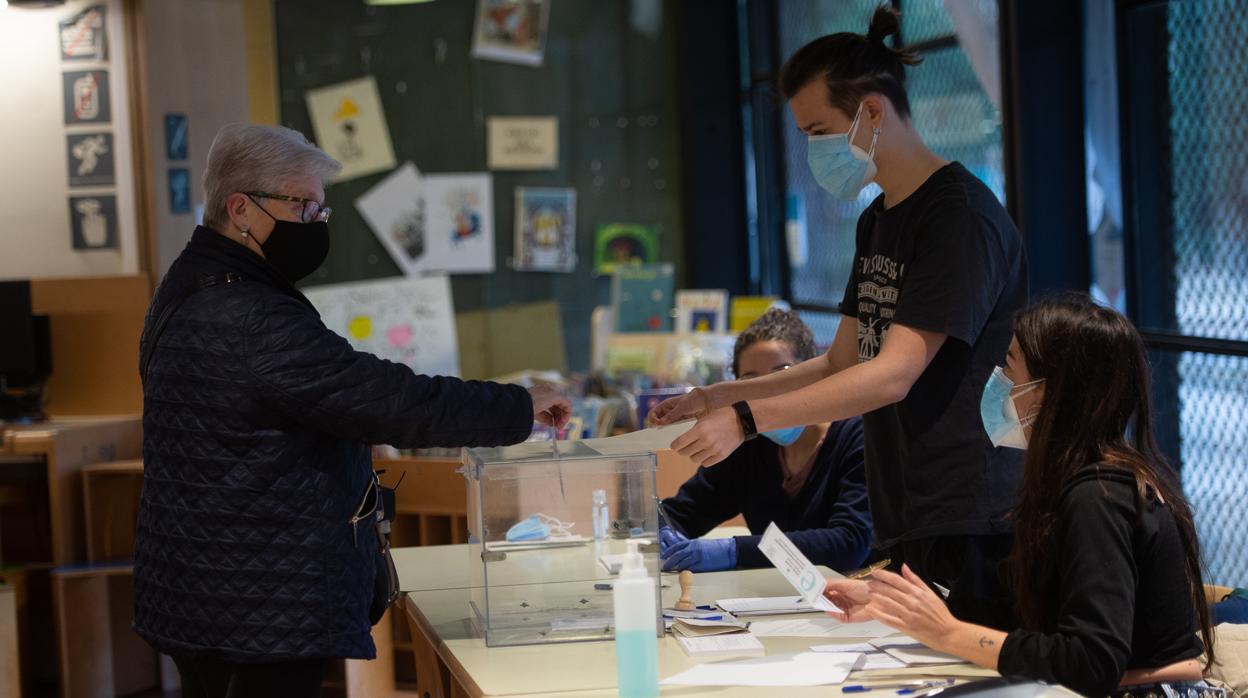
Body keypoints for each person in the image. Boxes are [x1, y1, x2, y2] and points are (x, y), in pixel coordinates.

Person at [132, 124, 570, 698]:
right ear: (240, 209)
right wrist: (517, 405)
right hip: (258, 598)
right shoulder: (250, 315)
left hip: (206, 582)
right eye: (304, 206)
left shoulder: (187, 285)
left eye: (321, 210)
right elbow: (387, 400)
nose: (316, 224)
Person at [650, 6, 1027, 626]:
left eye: (819, 129)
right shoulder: (879, 218)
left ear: (872, 112)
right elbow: (842, 360)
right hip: (906, 504)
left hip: (971, 509)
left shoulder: (957, 216)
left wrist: (745, 420)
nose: (813, 149)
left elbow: (892, 374)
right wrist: (717, 394)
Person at [822, 295, 1220, 698]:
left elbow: (1092, 661)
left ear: (1048, 391)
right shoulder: (1076, 483)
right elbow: (1029, 624)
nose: (998, 381)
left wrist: (950, 633)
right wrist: (895, 603)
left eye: (1009, 367)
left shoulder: (1098, 497)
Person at [658, 309, 870, 573]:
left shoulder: (858, 436)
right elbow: (684, 514)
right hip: (776, 603)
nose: (766, 391)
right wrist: (658, 528)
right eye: (751, 382)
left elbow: (849, 544)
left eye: (781, 374)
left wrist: (733, 551)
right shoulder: (748, 445)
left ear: (813, 375)